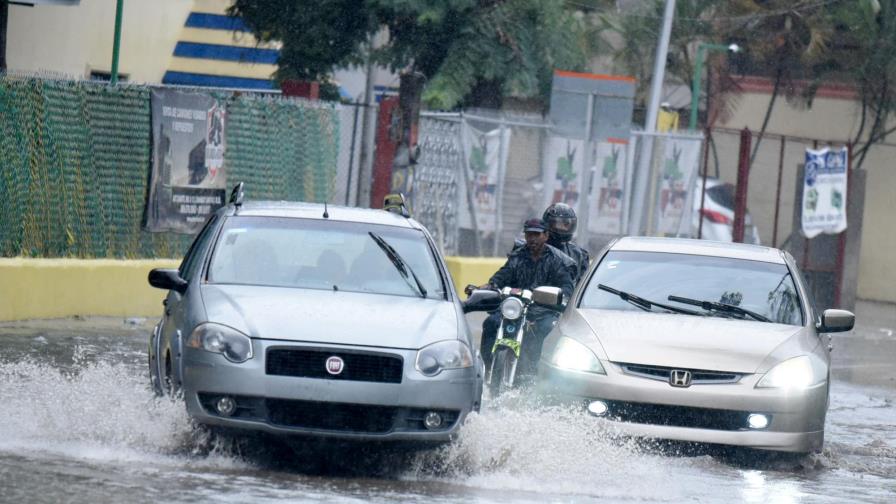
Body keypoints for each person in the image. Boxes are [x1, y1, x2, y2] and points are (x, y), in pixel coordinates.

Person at [478, 218, 575, 376]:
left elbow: (566, 288)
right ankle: (488, 366)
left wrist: (557, 297)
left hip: (542, 311)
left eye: (537, 235)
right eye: (529, 234)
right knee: (491, 323)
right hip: (515, 307)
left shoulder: (556, 260)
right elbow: (502, 276)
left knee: (547, 329)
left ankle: (538, 372)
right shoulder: (517, 256)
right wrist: (491, 285)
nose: (532, 239)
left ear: (546, 235)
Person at [542, 202, 591, 285]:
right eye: (559, 224)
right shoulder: (536, 248)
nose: (563, 228)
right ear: (548, 224)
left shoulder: (579, 254)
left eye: (566, 224)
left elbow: (582, 285)